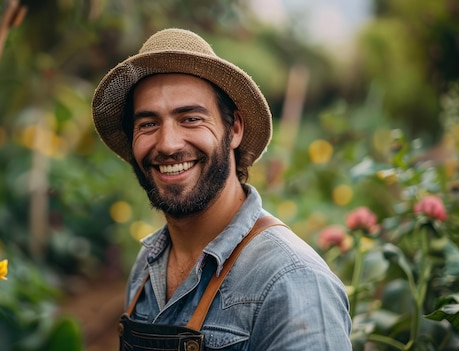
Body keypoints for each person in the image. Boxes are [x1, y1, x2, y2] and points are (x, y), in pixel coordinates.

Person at [91, 28, 352, 350]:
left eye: (190, 119)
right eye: (148, 124)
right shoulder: (148, 264)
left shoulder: (291, 280)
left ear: (235, 129)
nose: (168, 144)